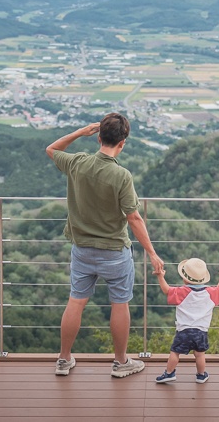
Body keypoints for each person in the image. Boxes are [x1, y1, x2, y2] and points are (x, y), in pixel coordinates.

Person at [46, 112, 165, 378]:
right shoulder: (121, 176)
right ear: (123, 142)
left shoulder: (78, 163)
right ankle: (121, 363)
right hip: (114, 252)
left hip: (82, 250)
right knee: (119, 304)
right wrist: (153, 253)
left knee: (76, 302)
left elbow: (52, 149)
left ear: (98, 137)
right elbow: (133, 218)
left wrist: (79, 132)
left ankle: (64, 360)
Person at [153, 257, 219, 385]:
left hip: (183, 331)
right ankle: (201, 375)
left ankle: (169, 373)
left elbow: (166, 290)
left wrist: (160, 276)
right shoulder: (210, 293)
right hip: (201, 332)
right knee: (199, 355)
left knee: (175, 352)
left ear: (185, 278)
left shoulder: (182, 292)